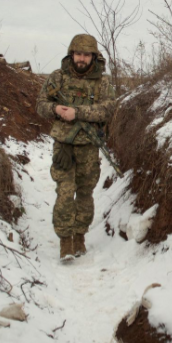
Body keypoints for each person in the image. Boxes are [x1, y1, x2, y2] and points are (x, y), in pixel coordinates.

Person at [36, 34, 116, 260]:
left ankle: (80, 235)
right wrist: (56, 110)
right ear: (72, 54)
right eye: (78, 54)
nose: (81, 59)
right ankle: (65, 242)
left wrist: (78, 112)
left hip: (89, 146)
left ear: (93, 57)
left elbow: (108, 109)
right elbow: (40, 105)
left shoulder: (103, 82)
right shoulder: (58, 78)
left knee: (84, 193)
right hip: (64, 146)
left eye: (86, 55)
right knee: (64, 193)